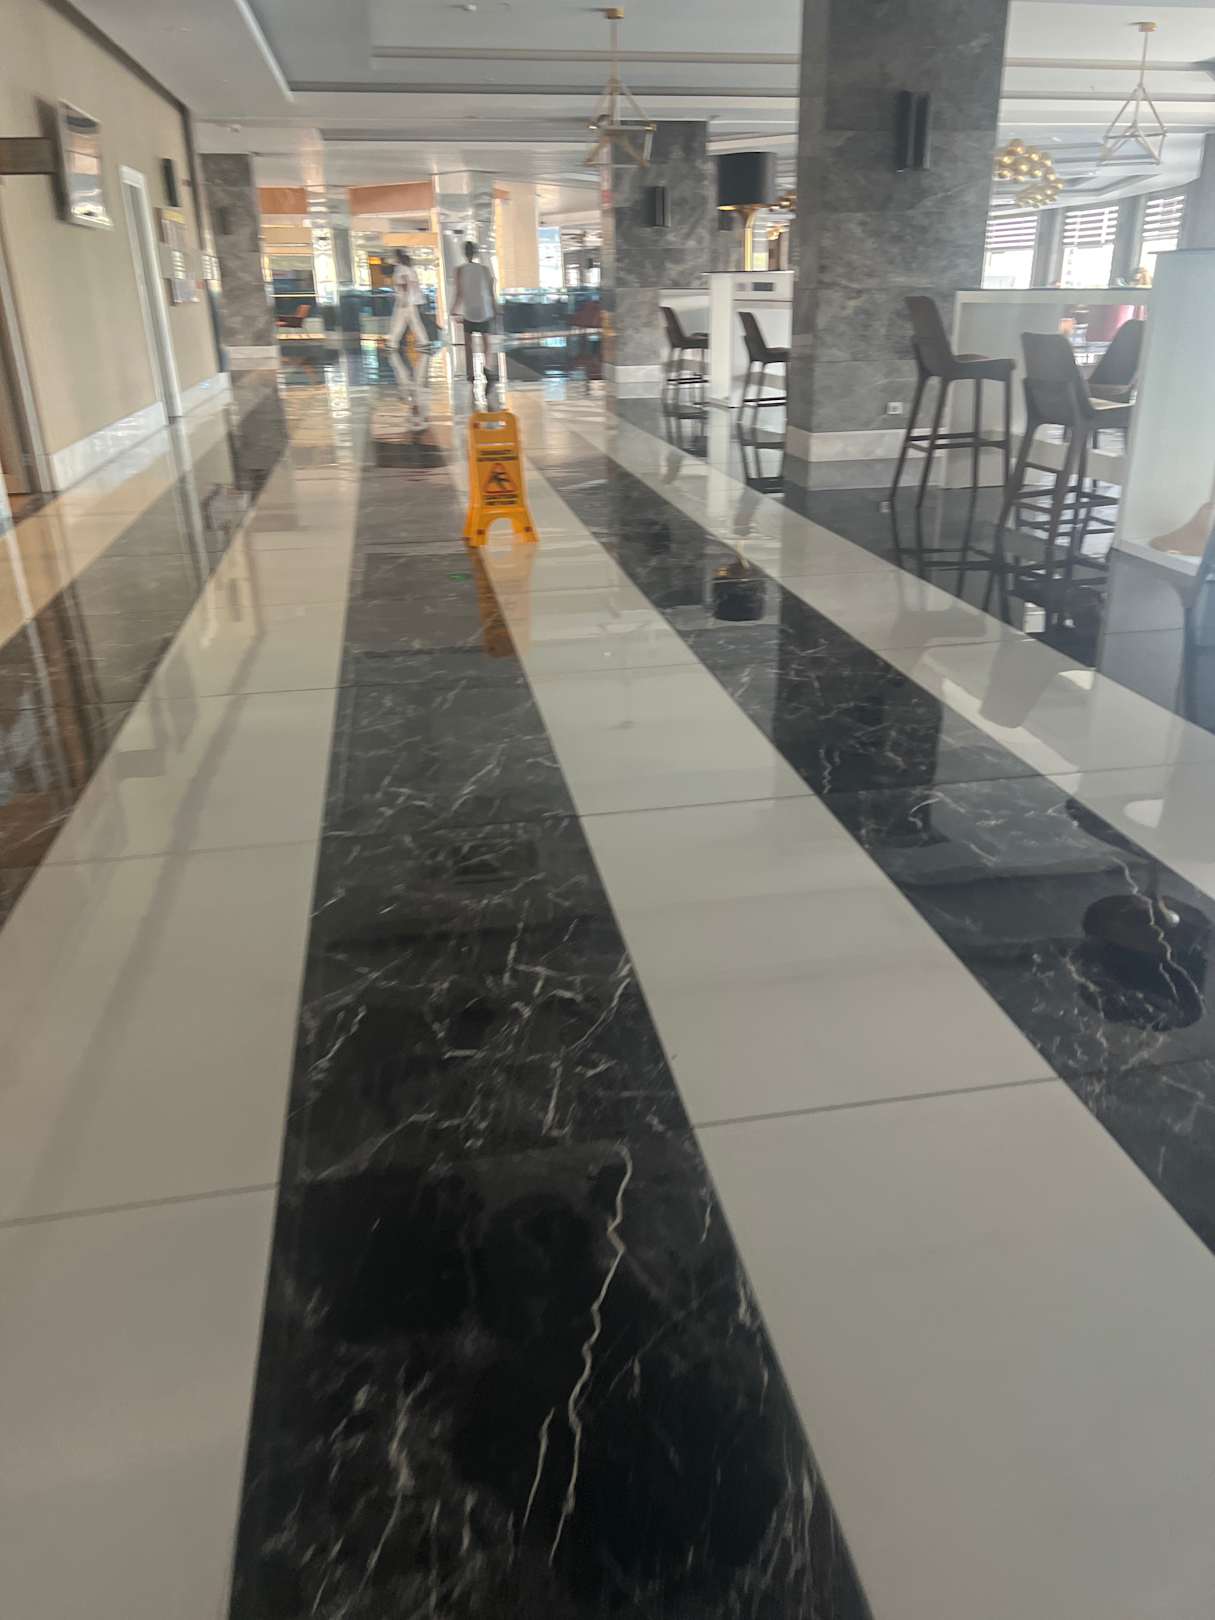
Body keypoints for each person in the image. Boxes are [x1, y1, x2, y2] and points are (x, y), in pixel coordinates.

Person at [450, 240, 498, 387]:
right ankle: (487, 367)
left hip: (469, 310)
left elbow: (459, 293)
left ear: (464, 253)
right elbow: (491, 292)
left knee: (468, 344)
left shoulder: (459, 270)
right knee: (486, 342)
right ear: (475, 253)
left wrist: (453, 310)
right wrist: (495, 309)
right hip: (484, 309)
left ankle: (471, 373)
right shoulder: (484, 270)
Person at [388, 250, 426, 355]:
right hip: (412, 301)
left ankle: (392, 344)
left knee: (398, 322)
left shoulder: (400, 269)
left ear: (397, 258)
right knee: (414, 322)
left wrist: (404, 299)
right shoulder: (410, 269)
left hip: (404, 300)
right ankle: (424, 342)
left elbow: (404, 284)